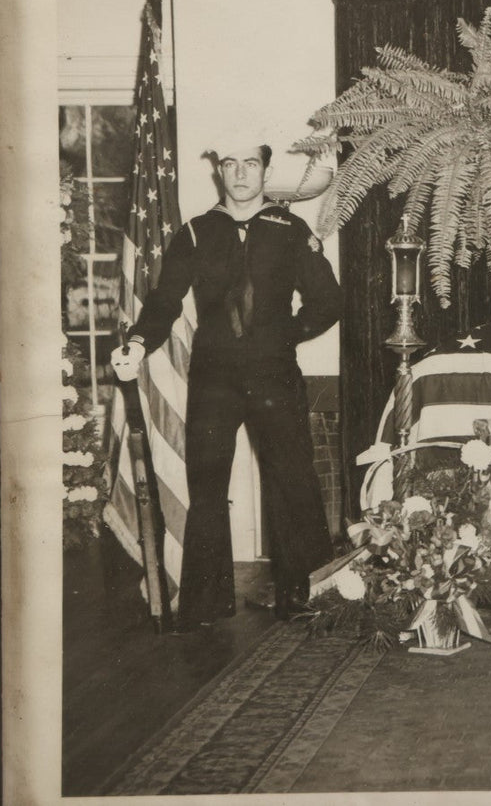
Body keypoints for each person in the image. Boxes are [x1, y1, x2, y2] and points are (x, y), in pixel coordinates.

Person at [111, 143, 341, 630]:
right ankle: (206, 601)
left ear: (266, 170)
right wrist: (137, 343)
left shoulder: (290, 230)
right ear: (219, 170)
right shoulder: (196, 232)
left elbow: (328, 300)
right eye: (230, 164)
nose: (240, 174)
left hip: (274, 371)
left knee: (292, 478)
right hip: (214, 374)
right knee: (207, 482)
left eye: (250, 164)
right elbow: (163, 301)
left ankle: (303, 594)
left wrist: (287, 334)